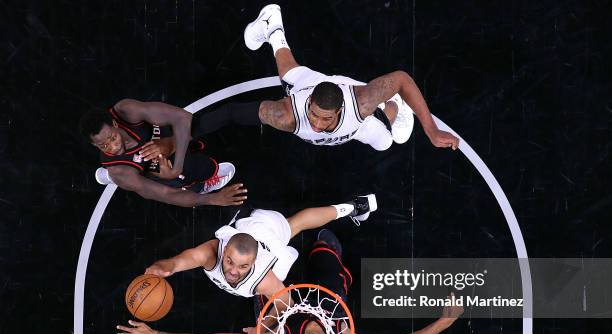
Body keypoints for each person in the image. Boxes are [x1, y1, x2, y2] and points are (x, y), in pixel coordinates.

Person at [117, 229, 463, 334]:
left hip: (276, 297)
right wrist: (444, 322)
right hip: (319, 289)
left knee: (264, 304)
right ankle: (319, 237)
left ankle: (287, 247)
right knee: (327, 247)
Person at [191, 4, 460, 153]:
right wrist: (185, 135)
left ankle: (395, 107)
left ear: (339, 111)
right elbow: (230, 113)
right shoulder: (287, 115)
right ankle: (272, 23)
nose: (317, 124)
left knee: (387, 142)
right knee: (289, 73)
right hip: (309, 85)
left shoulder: (360, 105)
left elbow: (402, 78)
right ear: (308, 105)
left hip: (356, 111)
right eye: (314, 115)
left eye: (325, 119)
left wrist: (430, 128)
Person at [143, 194, 377, 300]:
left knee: (296, 224)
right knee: (295, 223)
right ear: (224, 253)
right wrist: (162, 267)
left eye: (243, 266)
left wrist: (268, 325)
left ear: (254, 264)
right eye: (229, 261)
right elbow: (178, 262)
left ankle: (354, 206)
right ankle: (355, 206)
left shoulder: (265, 279)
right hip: (249, 227)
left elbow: (285, 303)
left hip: (269, 230)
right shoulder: (211, 254)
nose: (233, 271)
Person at [79, 101, 246, 207]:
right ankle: (198, 186)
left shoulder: (125, 111)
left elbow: (182, 118)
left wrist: (171, 144)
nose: (112, 147)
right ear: (94, 144)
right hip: (150, 170)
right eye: (103, 145)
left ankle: (179, 157)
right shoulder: (121, 172)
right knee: (187, 170)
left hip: (164, 136)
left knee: (195, 125)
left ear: (115, 124)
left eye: (112, 138)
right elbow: (167, 195)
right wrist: (212, 199)